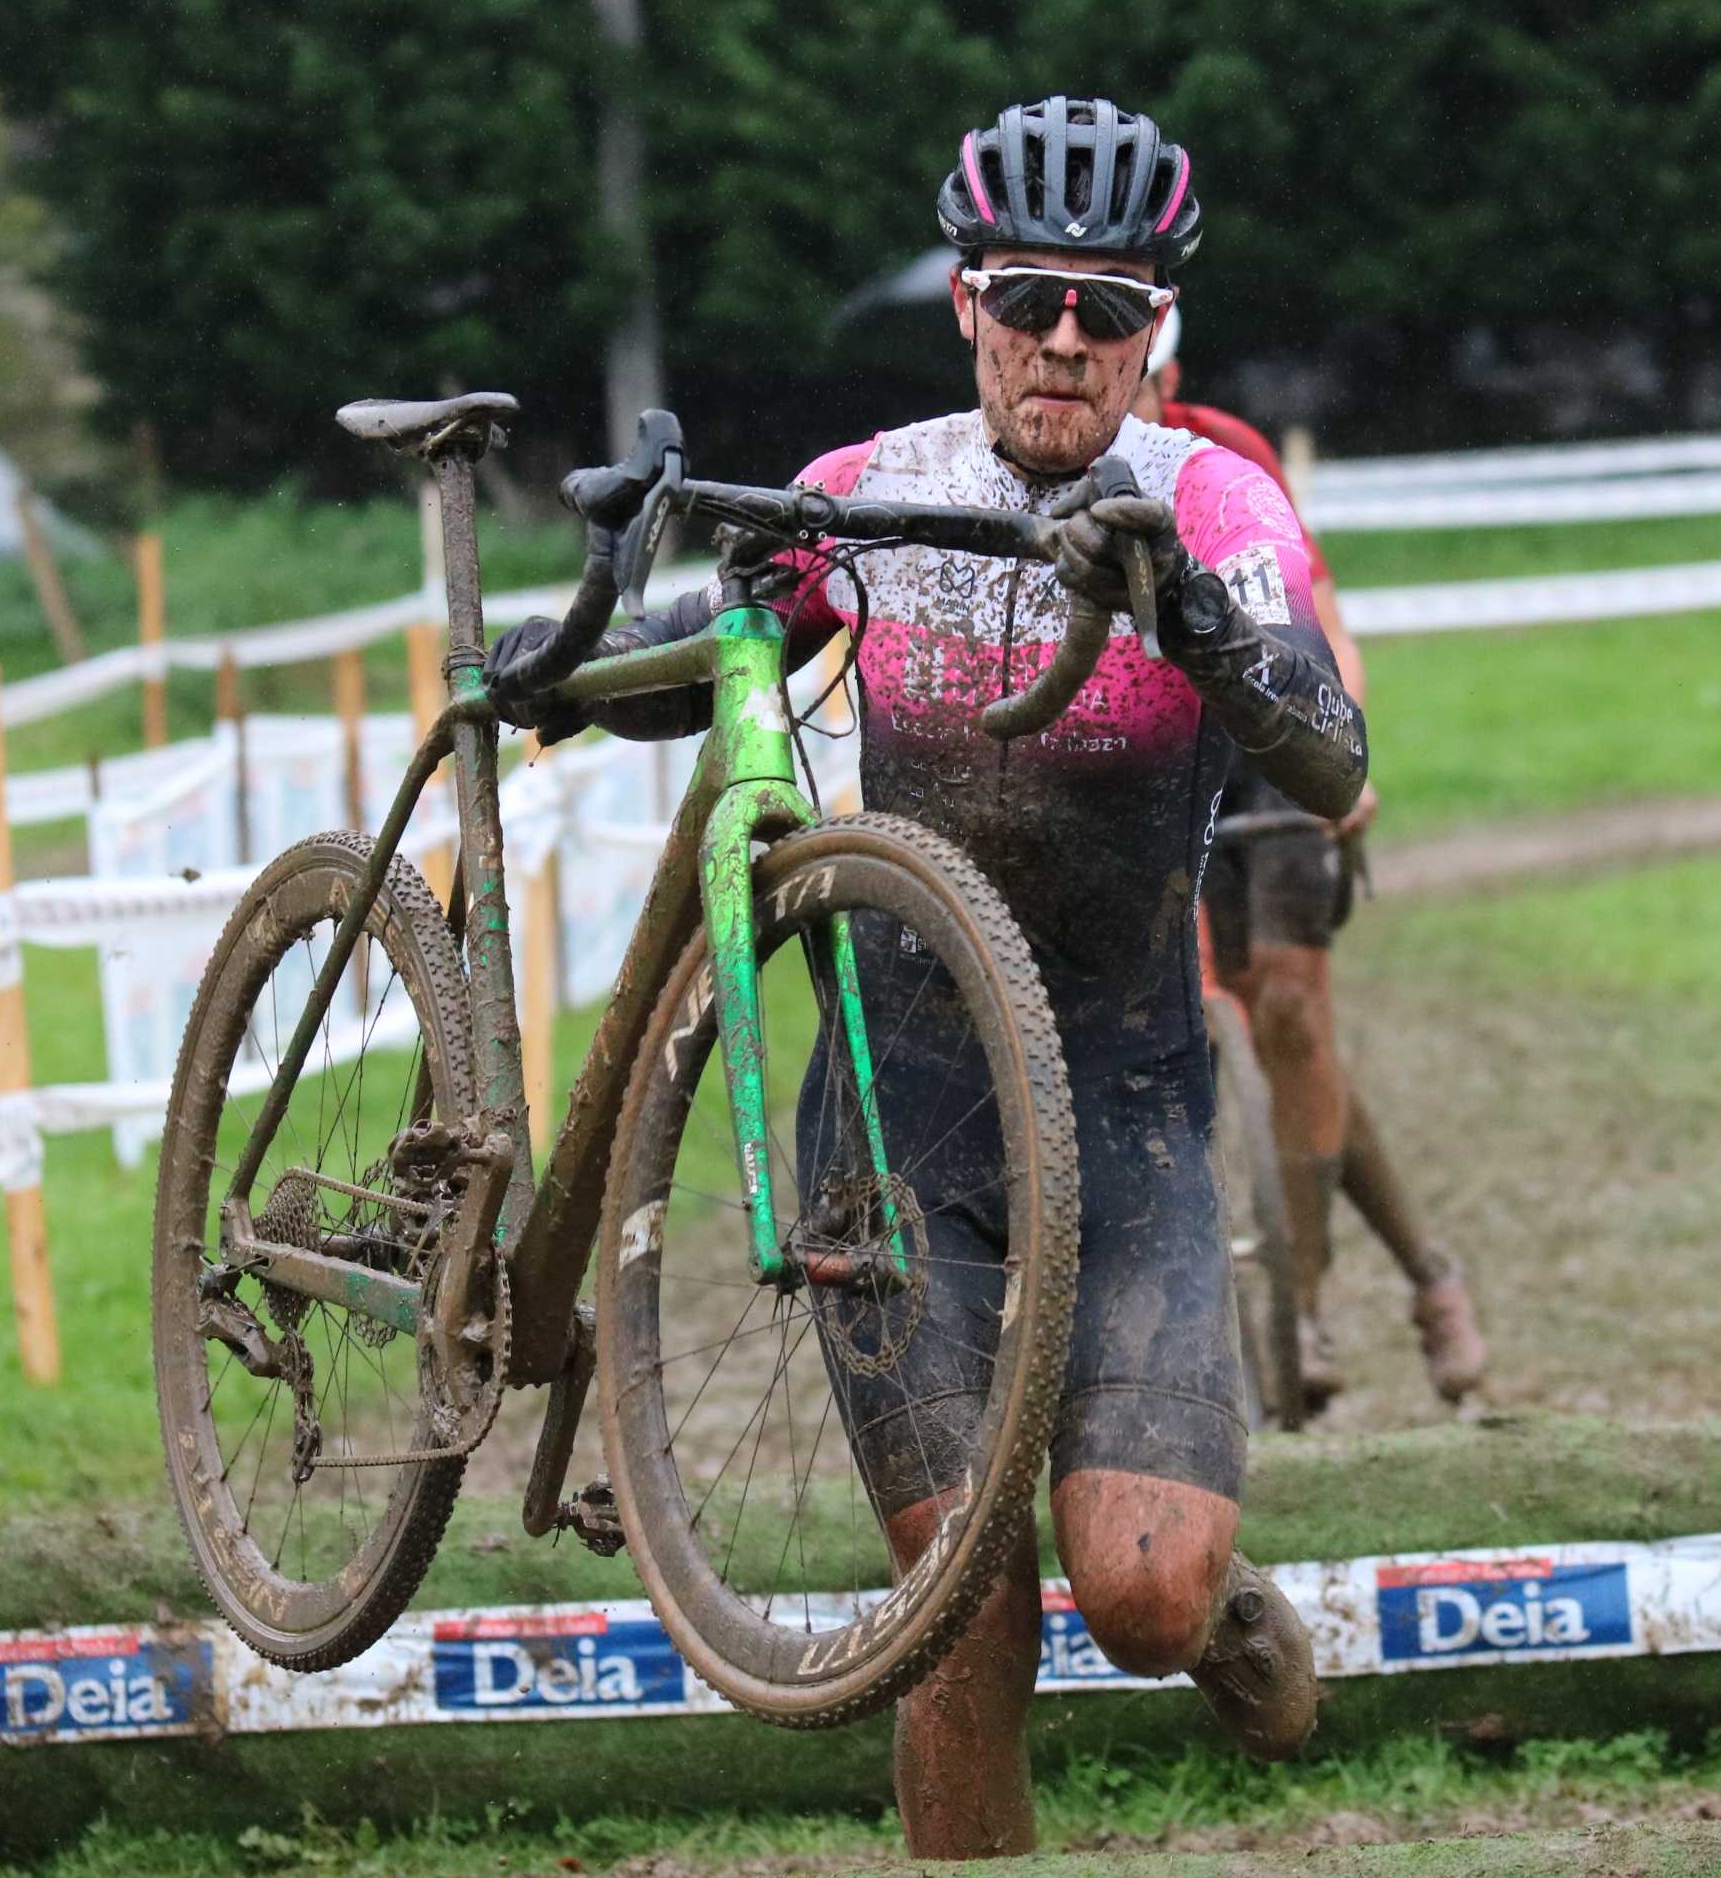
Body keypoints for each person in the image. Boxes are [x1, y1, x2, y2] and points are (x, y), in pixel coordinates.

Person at [493, 97, 1362, 1857]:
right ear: (968, 303)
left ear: (1155, 334)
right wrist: (568, 656)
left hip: (1123, 1122)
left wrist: (1202, 620)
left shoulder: (1217, 502)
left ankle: (1198, 1597)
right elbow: (715, 651)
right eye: (1030, 297)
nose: (1064, 339)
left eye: (1107, 310)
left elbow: (1338, 762)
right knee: (961, 1610)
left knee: (1142, 1602)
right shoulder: (875, 490)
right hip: (895, 1130)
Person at [1131, 312, 1488, 1412]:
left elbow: (1318, 615)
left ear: (1169, 374)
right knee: (1264, 1039)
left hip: (1270, 739)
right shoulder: (1038, 468)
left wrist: (1347, 752)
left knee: (1291, 1012)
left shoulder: (1225, 455)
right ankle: (1433, 1274)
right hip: (1155, 762)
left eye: (1130, 374)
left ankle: (1308, 1311)